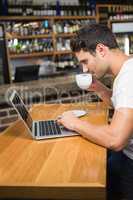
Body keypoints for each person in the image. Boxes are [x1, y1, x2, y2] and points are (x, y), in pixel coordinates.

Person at [58, 23, 133, 200]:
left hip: (130, 161)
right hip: (127, 154)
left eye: (85, 61)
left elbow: (116, 140)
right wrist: (100, 89)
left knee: (82, 176)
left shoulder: (128, 79)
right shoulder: (127, 69)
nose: (84, 69)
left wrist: (75, 123)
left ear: (101, 50)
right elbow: (124, 107)